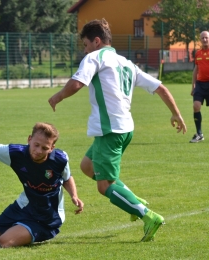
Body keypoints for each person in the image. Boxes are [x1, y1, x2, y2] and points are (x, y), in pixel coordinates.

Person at [48, 18, 187, 242]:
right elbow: (160, 87)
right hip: (124, 129)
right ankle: (133, 201)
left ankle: (146, 215)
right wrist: (176, 113)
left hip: (109, 131)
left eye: (85, 44)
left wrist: (58, 96)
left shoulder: (94, 57)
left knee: (104, 186)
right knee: (87, 166)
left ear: (96, 41)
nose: (84, 50)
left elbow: (77, 83)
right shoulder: (126, 62)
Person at [0, 122, 84, 248]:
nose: (38, 150)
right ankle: (20, 228)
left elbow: (66, 178)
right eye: (36, 145)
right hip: (23, 206)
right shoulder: (15, 153)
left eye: (44, 148)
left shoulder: (60, 159)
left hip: (47, 217)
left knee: (4, 241)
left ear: (52, 148)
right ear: (29, 139)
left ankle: (35, 231)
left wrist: (74, 195)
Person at [190, 31, 209, 143]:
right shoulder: (198, 53)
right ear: (200, 40)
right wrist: (193, 86)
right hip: (200, 84)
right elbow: (195, 70)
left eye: (206, 38)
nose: (205, 40)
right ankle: (199, 134)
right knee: (196, 106)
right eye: (203, 38)